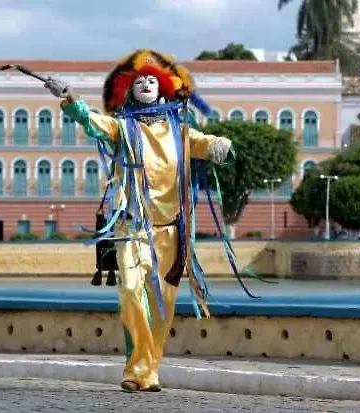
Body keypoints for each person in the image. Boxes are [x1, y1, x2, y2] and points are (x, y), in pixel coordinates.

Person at [44, 49, 233, 392]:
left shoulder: (180, 131)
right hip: (131, 227)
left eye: (151, 80)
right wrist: (69, 96)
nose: (145, 83)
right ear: (130, 91)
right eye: (139, 81)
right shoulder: (122, 127)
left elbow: (206, 144)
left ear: (161, 89)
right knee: (132, 292)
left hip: (171, 231)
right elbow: (91, 120)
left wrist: (222, 146)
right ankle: (137, 370)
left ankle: (146, 373)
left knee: (163, 307)